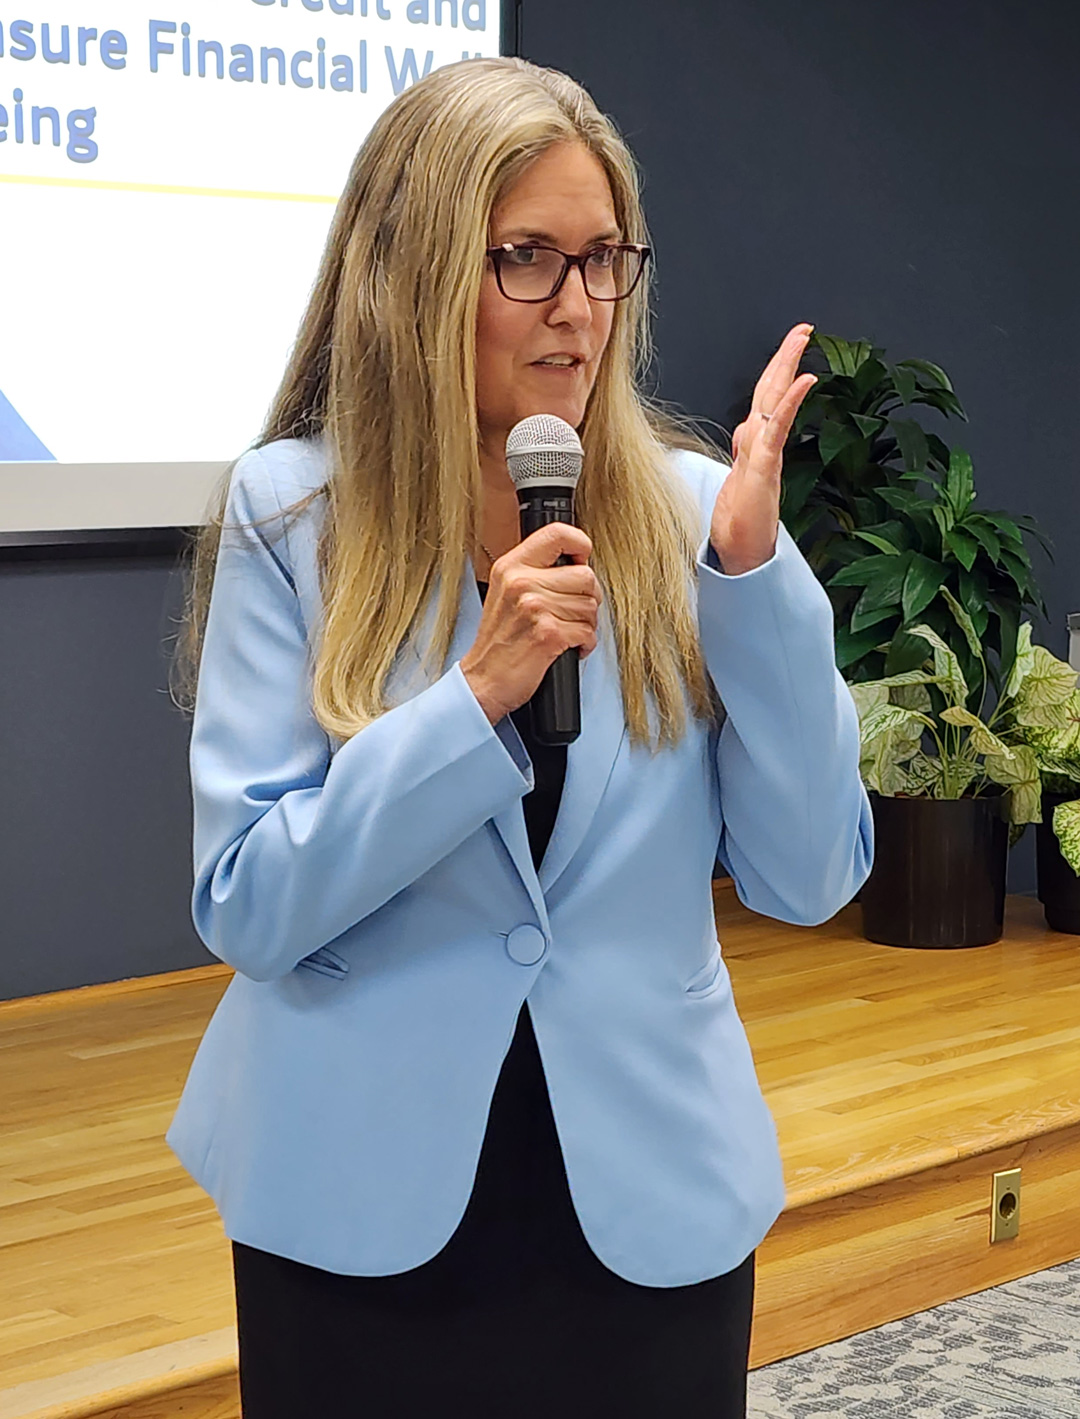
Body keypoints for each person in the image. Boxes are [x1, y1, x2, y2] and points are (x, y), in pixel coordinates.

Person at [168, 55, 873, 1418]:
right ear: (421, 270)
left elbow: (809, 877)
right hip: (356, 1195)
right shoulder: (290, 520)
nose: (579, 309)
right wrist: (471, 702)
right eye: (528, 260)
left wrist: (754, 581)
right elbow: (247, 904)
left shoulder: (693, 520)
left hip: (648, 1195)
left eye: (605, 260)